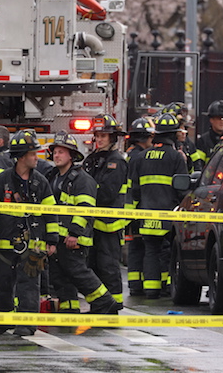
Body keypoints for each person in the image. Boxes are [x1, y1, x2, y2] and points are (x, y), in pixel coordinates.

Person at [0, 129, 58, 336]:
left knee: (29, 285)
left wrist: (51, 241)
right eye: (34, 154)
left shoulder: (41, 182)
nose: (37, 158)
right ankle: (3, 321)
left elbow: (51, 214)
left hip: (33, 245)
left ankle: (26, 324)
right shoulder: (1, 181)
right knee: (1, 284)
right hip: (4, 246)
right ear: (22, 156)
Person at [45, 131, 117, 314]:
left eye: (61, 152)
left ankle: (105, 302)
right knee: (60, 275)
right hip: (58, 237)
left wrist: (74, 233)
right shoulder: (53, 177)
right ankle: (69, 308)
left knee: (78, 272)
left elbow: (85, 208)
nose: (57, 155)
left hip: (74, 238)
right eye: (55, 152)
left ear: (71, 155)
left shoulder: (82, 179)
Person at [128, 112, 188, 299]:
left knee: (151, 251)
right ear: (173, 134)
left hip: (146, 214)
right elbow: (183, 188)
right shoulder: (176, 158)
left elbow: (134, 189)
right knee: (168, 251)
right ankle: (167, 288)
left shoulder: (141, 157)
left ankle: (151, 290)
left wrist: (134, 215)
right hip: (168, 215)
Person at [82, 114, 128, 309]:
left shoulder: (116, 161)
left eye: (104, 136)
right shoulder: (93, 159)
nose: (99, 139)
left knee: (108, 267)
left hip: (109, 225)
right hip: (93, 224)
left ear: (112, 138)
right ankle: (98, 305)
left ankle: (114, 305)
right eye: (97, 135)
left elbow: (106, 193)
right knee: (93, 266)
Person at [123, 117, 154, 296]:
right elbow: (136, 187)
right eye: (150, 138)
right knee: (138, 246)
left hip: (129, 209)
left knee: (135, 245)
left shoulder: (130, 154)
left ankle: (135, 282)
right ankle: (137, 284)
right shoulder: (139, 157)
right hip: (136, 209)